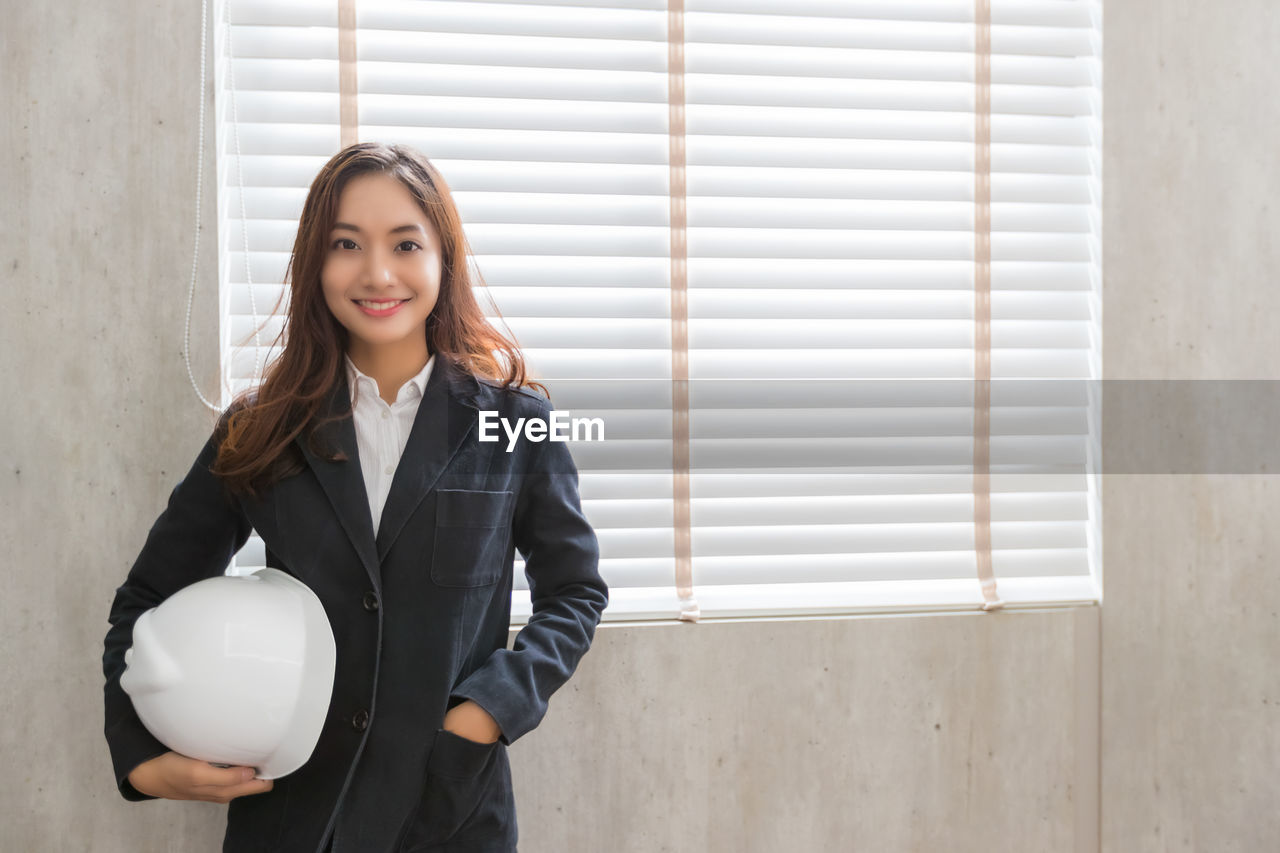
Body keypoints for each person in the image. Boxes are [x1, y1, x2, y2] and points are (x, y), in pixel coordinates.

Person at [102, 142, 609, 853]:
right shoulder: (261, 430)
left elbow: (575, 593)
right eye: (347, 244)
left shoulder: (515, 425)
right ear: (316, 262)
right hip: (293, 818)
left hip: (449, 814)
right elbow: (149, 594)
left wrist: (487, 710)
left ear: (443, 259)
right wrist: (144, 758)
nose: (377, 273)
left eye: (405, 243)